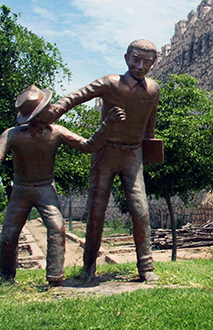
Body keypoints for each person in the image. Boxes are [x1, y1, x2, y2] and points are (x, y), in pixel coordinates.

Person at [0, 85, 125, 287]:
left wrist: (107, 124)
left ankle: (55, 279)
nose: (53, 108)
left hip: (45, 188)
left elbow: (88, 146)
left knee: (57, 228)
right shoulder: (12, 135)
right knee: (8, 236)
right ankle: (6, 278)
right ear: (35, 115)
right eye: (47, 106)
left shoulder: (57, 132)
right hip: (21, 190)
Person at [49, 39, 160, 282]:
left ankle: (146, 267)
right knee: (96, 211)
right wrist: (51, 112)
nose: (139, 66)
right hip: (105, 153)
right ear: (126, 57)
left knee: (140, 211)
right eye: (135, 59)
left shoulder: (153, 89)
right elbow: (76, 97)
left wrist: (150, 148)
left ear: (153, 65)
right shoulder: (111, 83)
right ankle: (89, 265)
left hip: (133, 155)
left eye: (146, 63)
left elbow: (149, 125)